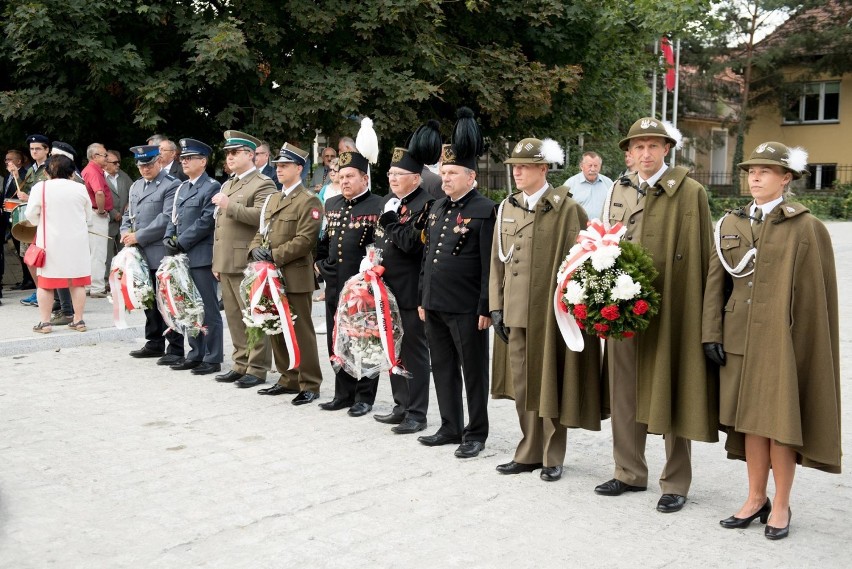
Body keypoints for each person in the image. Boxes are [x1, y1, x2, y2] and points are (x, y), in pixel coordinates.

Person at [702, 142, 840, 540]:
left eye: (765, 171)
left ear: (786, 178)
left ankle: (781, 504)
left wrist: (803, 347)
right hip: (739, 337)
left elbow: (815, 300)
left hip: (783, 341)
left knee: (779, 424)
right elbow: (717, 283)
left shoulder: (806, 226)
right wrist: (711, 331)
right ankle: (755, 497)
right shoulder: (730, 222)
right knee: (749, 426)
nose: (755, 178)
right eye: (750, 171)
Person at [595, 117, 716, 513]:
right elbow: (606, 241)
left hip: (669, 307)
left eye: (653, 146)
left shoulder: (689, 191)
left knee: (671, 388)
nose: (645, 154)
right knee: (624, 389)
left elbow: (699, 257)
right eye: (638, 147)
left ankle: (676, 481)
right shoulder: (618, 187)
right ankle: (628, 471)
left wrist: (694, 314)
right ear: (629, 153)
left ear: (667, 149)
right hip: (623, 308)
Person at [490, 138, 603, 482]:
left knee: (551, 382)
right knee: (523, 384)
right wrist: (497, 306)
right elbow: (498, 261)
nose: (518, 172)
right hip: (516, 312)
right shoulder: (507, 207)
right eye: (514, 167)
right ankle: (529, 451)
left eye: (525, 166)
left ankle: (553, 455)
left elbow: (581, 265)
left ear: (543, 169)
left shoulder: (566, 209)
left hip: (551, 313)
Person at [417, 107, 494, 459]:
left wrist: (485, 307)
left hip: (466, 308)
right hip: (434, 303)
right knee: (444, 368)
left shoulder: (484, 209)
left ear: (471, 177)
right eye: (443, 172)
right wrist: (422, 297)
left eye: (452, 173)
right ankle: (450, 426)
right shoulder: (436, 208)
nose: (445, 179)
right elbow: (427, 258)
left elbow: (489, 265)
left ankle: (475, 432)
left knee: (473, 372)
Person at [372, 120, 442, 434]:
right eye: (390, 175)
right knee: (393, 348)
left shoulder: (425, 205)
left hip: (411, 291)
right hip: (387, 289)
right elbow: (381, 243)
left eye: (397, 175)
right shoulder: (393, 203)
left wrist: (389, 221)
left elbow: (412, 244)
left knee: (414, 352)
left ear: (415, 178)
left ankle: (417, 413)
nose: (392, 179)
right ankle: (400, 405)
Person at [316, 119, 383, 417]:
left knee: (364, 339)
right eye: (340, 176)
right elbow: (325, 242)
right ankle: (342, 392)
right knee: (336, 337)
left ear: (364, 179)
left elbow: (380, 250)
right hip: (335, 284)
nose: (343, 181)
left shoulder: (378, 205)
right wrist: (320, 266)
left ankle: (364, 396)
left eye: (350, 176)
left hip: (363, 288)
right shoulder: (332, 205)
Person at [250, 142, 324, 405]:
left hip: (294, 275)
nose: (279, 170)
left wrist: (274, 254)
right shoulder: (273, 199)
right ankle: (288, 378)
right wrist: (256, 250)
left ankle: (310, 382)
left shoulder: (309, 200)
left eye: (284, 166)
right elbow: (261, 231)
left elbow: (306, 239)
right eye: (278, 166)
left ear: (299, 168)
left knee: (301, 330)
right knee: (276, 326)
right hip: (270, 275)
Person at [211, 130, 278, 388]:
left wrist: (230, 205)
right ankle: (240, 363)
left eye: (234, 152)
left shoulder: (262, 183)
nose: (229, 157)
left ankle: (258, 367)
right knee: (234, 316)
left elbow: (262, 218)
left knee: (253, 315)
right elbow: (219, 227)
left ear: (250, 155)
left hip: (246, 260)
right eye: (227, 153)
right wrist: (216, 261)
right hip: (226, 260)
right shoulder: (228, 183)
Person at [163, 138, 223, 376]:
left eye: (189, 158)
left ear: (203, 161)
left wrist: (181, 241)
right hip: (182, 257)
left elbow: (206, 221)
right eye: (183, 158)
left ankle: (213, 356)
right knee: (189, 306)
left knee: (208, 308)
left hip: (200, 256)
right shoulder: (182, 187)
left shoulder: (212, 187)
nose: (184, 162)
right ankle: (195, 353)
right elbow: (173, 218)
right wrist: (169, 237)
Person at [120, 144, 185, 365]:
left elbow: (166, 218)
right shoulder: (136, 186)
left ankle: (175, 347)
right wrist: (124, 233)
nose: (145, 169)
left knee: (165, 301)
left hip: (159, 251)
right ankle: (154, 341)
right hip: (139, 253)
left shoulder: (171, 185)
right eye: (141, 165)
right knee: (147, 299)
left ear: (158, 161)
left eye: (148, 164)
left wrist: (138, 236)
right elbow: (128, 215)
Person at [25, 154, 91, 333]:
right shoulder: (80, 188)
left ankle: (45, 323)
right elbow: (89, 216)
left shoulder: (41, 188)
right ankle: (78, 320)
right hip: (77, 242)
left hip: (50, 242)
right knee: (77, 282)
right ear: (71, 172)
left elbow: (30, 216)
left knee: (45, 283)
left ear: (46, 171)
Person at [15, 134, 51, 300]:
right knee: (28, 256)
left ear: (47, 150)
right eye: (32, 149)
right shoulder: (31, 169)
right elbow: (26, 189)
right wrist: (17, 176)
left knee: (44, 257)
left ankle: (48, 292)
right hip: (31, 218)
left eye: (38, 148)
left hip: (45, 219)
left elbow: (51, 194)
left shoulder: (52, 168)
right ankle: (39, 291)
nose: (34, 152)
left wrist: (29, 198)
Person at [81, 143, 114, 298]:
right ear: (95, 157)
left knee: (91, 252)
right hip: (97, 214)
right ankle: (97, 287)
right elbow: (99, 192)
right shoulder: (94, 171)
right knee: (98, 253)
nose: (107, 157)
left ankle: (89, 285)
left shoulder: (89, 170)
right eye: (104, 155)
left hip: (90, 214)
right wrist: (101, 210)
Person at [2, 149, 28, 301]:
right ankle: (25, 278)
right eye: (6, 160)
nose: (7, 162)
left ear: (19, 162)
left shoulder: (24, 175)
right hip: (7, 214)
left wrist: (17, 177)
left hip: (19, 215)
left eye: (10, 159)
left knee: (22, 247)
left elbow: (23, 192)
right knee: (18, 248)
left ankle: (28, 279)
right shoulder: (7, 177)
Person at [103, 150, 132, 278]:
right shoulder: (100, 176)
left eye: (118, 162)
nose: (118, 165)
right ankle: (106, 279)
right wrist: (113, 212)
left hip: (123, 222)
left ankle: (123, 278)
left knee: (124, 252)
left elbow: (134, 191)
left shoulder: (123, 176)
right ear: (106, 163)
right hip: (107, 221)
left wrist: (129, 204)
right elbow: (97, 196)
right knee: (107, 253)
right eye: (114, 163)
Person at [563, 151, 613, 220]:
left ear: (600, 166)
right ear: (581, 166)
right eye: (590, 165)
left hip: (602, 228)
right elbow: (563, 209)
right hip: (579, 228)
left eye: (596, 166)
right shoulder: (570, 184)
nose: (593, 169)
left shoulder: (608, 183)